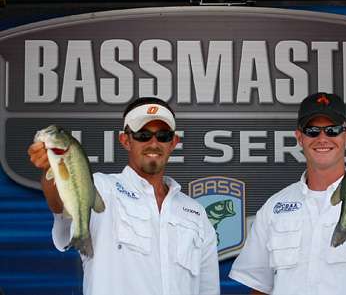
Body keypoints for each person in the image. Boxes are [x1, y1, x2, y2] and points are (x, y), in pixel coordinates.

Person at [229, 92, 346, 295]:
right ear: (299, 137)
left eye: (332, 130)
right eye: (312, 131)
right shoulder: (274, 207)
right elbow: (260, 287)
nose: (322, 138)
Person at [28, 97, 220, 295]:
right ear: (125, 140)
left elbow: (208, 289)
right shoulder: (101, 187)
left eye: (163, 135)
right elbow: (61, 207)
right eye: (143, 135)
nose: (153, 143)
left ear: (173, 142)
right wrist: (51, 168)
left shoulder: (196, 213)